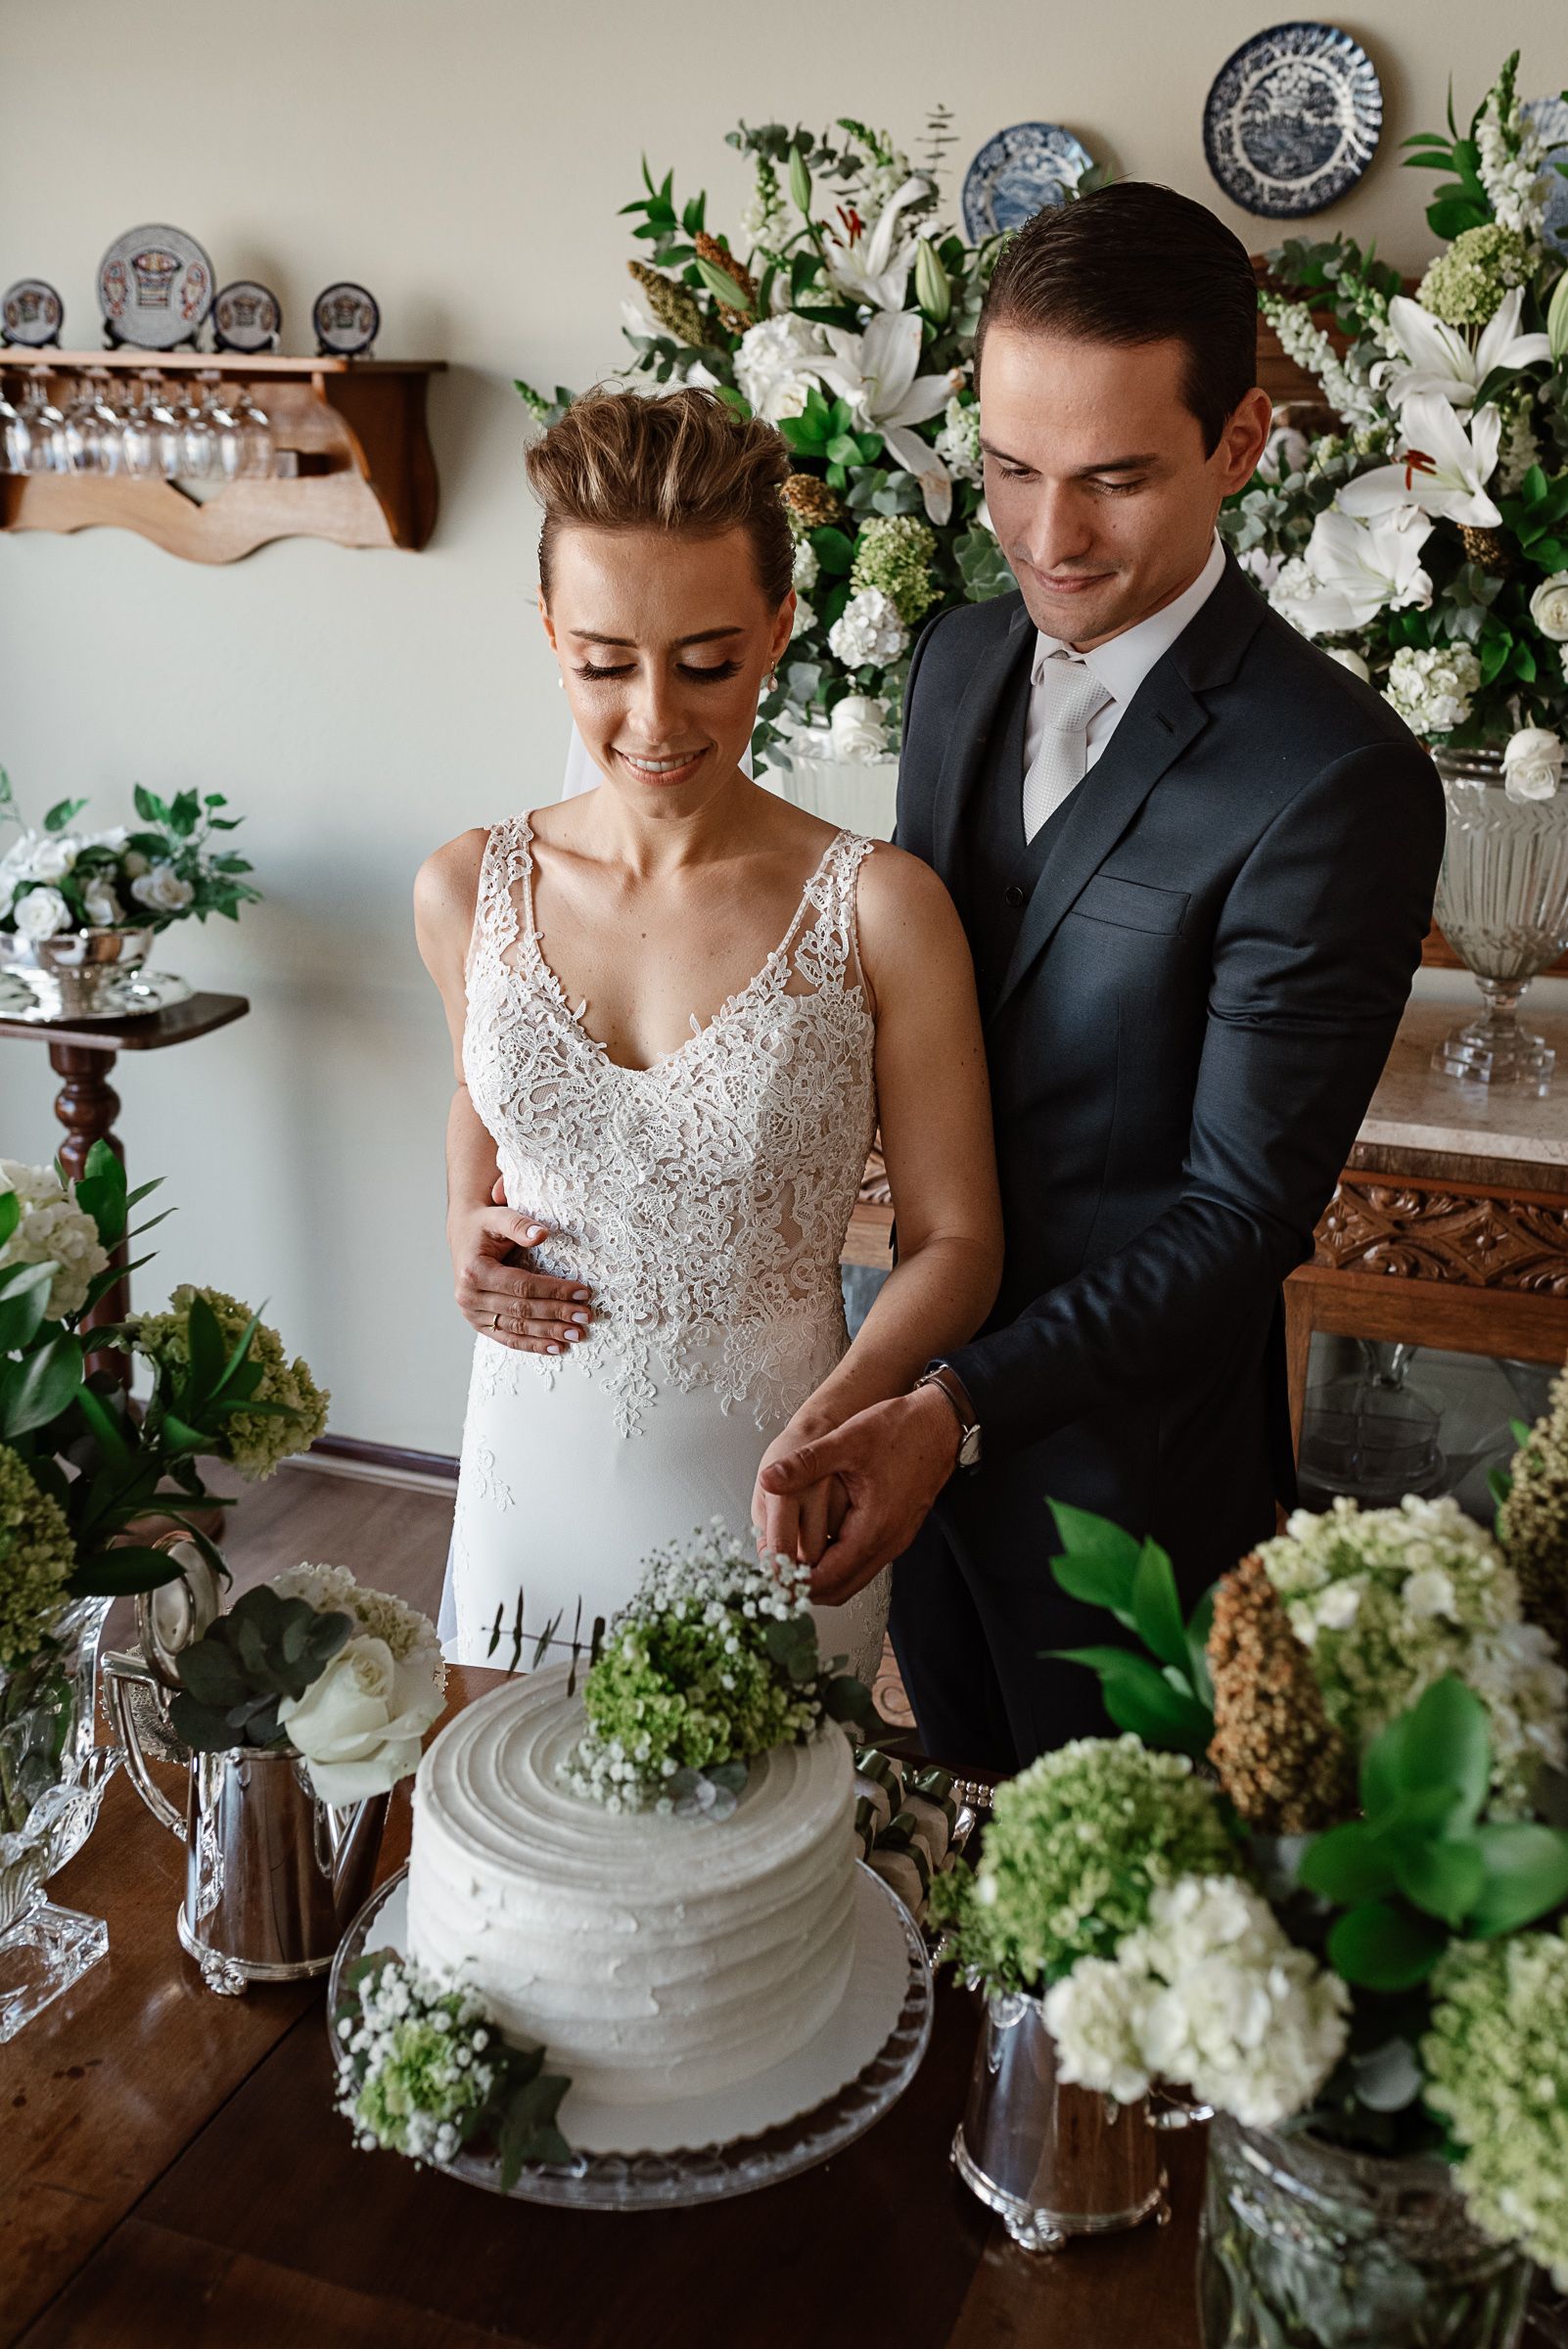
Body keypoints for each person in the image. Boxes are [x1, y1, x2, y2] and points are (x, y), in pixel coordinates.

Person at [760, 181, 1446, 1772]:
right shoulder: (953, 665)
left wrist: (958, 1410)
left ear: (1241, 445)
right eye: (1008, 471)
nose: (1048, 539)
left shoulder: (1333, 778)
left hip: (1131, 1495)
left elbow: (1234, 1218)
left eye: (1113, 480)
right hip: (897, 1409)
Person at [415, 387, 1001, 1681]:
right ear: (550, 635)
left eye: (706, 661)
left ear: (780, 628)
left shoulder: (880, 909)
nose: (654, 722)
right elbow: (484, 1114)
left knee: (760, 1870)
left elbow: (958, 1241)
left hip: (776, 1481)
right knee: (520, 1846)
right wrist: (464, 1232)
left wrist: (847, 1413)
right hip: (527, 1475)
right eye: (603, 663)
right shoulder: (466, 888)